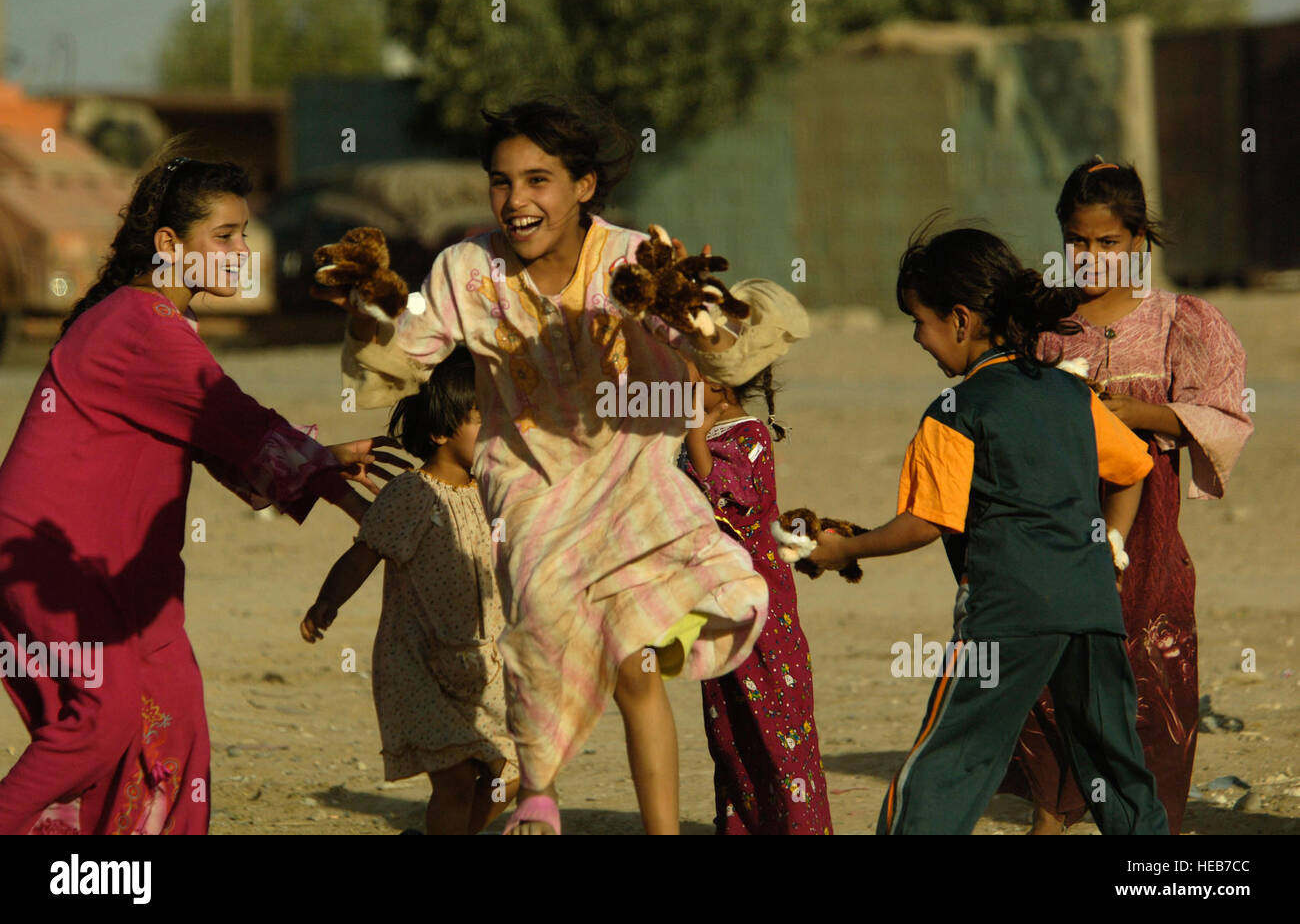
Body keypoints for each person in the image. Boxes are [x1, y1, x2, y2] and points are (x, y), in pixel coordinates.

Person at [331, 97, 811, 834]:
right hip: (531, 490)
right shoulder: (467, 269)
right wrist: (370, 313)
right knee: (540, 643)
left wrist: (695, 315)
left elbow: (711, 343)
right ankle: (538, 795)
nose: (517, 200)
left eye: (538, 180)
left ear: (583, 184)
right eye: (502, 181)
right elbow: (402, 357)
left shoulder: (629, 260)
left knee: (638, 669)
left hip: (632, 482)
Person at [0, 150, 397, 835]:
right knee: (102, 720)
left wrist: (325, 460)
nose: (243, 251)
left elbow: (219, 435)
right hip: (47, 563)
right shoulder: (141, 322)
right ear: (168, 245)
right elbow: (233, 420)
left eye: (246, 232)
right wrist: (331, 484)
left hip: (117, 572)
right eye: (226, 236)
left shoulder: (157, 321)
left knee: (174, 711)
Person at [810, 224, 1169, 835]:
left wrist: (844, 547)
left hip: (1007, 612)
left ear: (958, 319)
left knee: (951, 757)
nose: (917, 339)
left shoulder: (957, 409)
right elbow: (1134, 468)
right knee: (1114, 761)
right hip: (1091, 607)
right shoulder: (1068, 392)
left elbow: (927, 521)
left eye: (917, 321)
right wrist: (1109, 542)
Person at [1000, 159, 1253, 835]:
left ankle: (1145, 830)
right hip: (1055, 529)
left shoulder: (1180, 322)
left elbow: (1221, 415)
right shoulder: (1043, 323)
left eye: (1107, 242)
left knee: (1150, 676)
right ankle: (1048, 819)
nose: (1089, 257)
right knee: (1052, 674)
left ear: (1139, 239)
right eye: (1076, 240)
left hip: (1148, 540)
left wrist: (1138, 415)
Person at [300, 348, 521, 834]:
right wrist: (326, 603)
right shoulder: (412, 495)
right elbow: (362, 554)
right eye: (483, 420)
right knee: (456, 782)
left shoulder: (496, 491)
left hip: (486, 666)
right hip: (419, 664)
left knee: (512, 776)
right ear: (441, 432)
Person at [679, 352, 833, 835]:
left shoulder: (749, 436)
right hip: (715, 604)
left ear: (721, 386)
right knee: (729, 732)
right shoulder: (700, 435)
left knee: (779, 732)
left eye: (688, 378)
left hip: (759, 609)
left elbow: (724, 498)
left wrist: (692, 432)